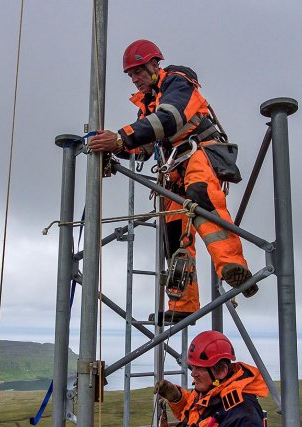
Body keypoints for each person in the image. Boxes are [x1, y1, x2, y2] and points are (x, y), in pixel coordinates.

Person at [88, 39, 258, 324]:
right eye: (130, 74)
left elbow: (169, 119)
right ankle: (183, 302)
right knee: (174, 234)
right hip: (174, 167)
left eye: (138, 71)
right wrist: (118, 147)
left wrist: (121, 137)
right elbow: (145, 145)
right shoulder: (146, 106)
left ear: (155, 65)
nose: (135, 78)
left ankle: (233, 267)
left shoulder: (177, 83)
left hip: (199, 152)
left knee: (203, 198)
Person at [155, 330, 268, 427]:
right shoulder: (211, 392)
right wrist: (177, 398)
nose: (193, 373)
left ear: (221, 371)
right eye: (193, 366)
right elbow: (194, 415)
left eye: (199, 368)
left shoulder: (241, 413)